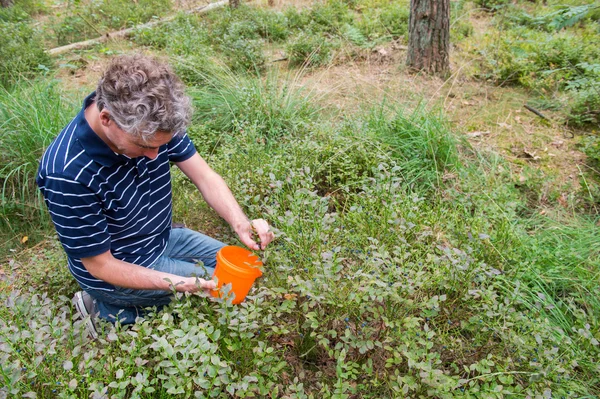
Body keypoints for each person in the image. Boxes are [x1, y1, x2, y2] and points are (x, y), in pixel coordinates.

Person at [36, 54, 274, 338]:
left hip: (162, 237)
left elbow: (204, 176)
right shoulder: (67, 173)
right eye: (144, 146)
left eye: (163, 145)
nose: (155, 155)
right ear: (106, 119)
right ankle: (108, 309)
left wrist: (240, 222)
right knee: (225, 290)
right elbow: (100, 264)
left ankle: (143, 301)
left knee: (249, 270)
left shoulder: (156, 120)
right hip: (118, 265)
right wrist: (177, 283)